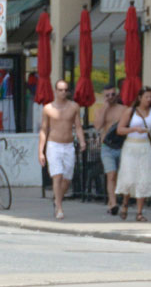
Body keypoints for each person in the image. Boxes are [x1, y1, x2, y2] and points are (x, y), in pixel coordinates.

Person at [38, 79, 86, 220]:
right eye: (60, 90)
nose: (63, 93)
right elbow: (44, 129)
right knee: (57, 175)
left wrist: (82, 141)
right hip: (54, 144)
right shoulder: (48, 108)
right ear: (55, 91)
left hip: (68, 145)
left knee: (67, 178)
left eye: (65, 90)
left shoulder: (74, 107)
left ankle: (57, 198)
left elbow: (78, 126)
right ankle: (59, 206)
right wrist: (40, 151)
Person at [114, 86, 151, 221]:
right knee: (129, 177)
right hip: (131, 146)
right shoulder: (131, 111)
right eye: (146, 97)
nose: (149, 99)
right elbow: (120, 129)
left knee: (143, 178)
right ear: (140, 98)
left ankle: (139, 212)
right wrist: (134, 129)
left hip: (145, 146)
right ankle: (125, 204)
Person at [94, 82, 127, 213]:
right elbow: (98, 126)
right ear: (104, 96)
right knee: (111, 174)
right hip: (107, 147)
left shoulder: (123, 109)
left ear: (117, 94)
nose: (111, 97)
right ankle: (113, 204)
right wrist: (105, 107)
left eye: (113, 94)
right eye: (108, 95)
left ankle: (113, 200)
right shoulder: (100, 110)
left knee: (120, 175)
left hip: (121, 146)